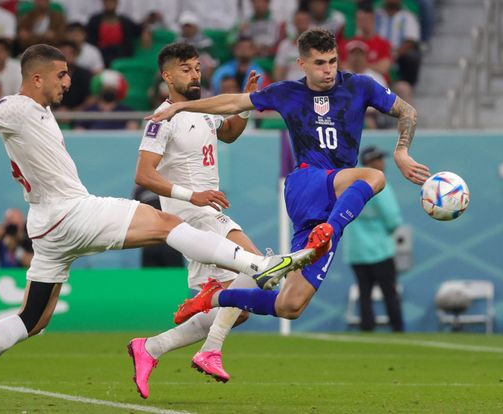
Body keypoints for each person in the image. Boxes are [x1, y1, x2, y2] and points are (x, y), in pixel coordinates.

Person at [0, 43, 319, 408]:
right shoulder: (16, 107)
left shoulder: (37, 114)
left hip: (47, 228)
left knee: (32, 318)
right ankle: (260, 264)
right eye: (60, 75)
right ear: (36, 77)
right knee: (161, 221)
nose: (67, 82)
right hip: (71, 211)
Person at [147, 28, 429, 327]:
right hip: (307, 183)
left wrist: (402, 151)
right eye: (320, 63)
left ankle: (213, 298)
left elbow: (407, 111)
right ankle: (329, 231)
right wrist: (181, 107)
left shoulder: (360, 86)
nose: (328, 69)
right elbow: (232, 103)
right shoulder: (288, 93)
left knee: (290, 305)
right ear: (302, 64)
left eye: (333, 61)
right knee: (374, 176)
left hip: (334, 198)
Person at [128, 42, 263, 398]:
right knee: (259, 267)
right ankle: (209, 349)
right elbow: (144, 174)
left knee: (241, 306)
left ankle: (151, 348)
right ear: (167, 76)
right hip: (190, 214)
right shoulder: (163, 118)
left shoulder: (202, 110)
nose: (195, 75)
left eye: (198, 68)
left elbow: (229, 133)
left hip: (208, 211)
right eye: (186, 69)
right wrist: (193, 195)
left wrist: (246, 105)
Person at [344, 146, 404, 332]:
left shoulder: (351, 186)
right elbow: (393, 218)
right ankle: (397, 329)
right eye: (379, 159)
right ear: (371, 163)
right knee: (389, 293)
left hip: (356, 251)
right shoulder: (380, 186)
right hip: (380, 250)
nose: (383, 162)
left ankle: (367, 330)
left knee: (364, 294)